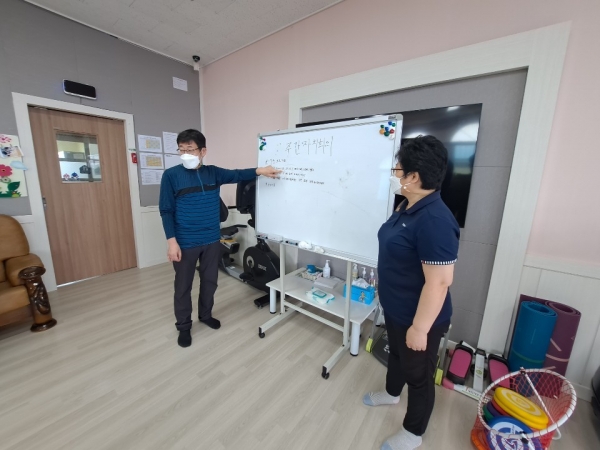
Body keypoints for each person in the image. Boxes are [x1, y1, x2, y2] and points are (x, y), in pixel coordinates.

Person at [363, 135, 460, 450]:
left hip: (421, 318)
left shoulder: (435, 220)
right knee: (396, 356)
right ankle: (391, 394)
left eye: (397, 169)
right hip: (396, 307)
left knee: (418, 376)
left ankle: (413, 432)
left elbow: (440, 282)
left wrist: (420, 328)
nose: (393, 174)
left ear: (414, 177)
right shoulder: (407, 205)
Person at [159, 129, 280, 348]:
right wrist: (172, 242)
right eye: (181, 150)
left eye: (190, 150)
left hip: (211, 239)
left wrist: (261, 171)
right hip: (185, 241)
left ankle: (205, 315)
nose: (185, 154)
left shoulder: (213, 173)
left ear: (203, 151)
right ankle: (184, 326)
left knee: (210, 281)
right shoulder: (171, 176)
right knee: (183, 286)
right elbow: (166, 211)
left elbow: (237, 174)